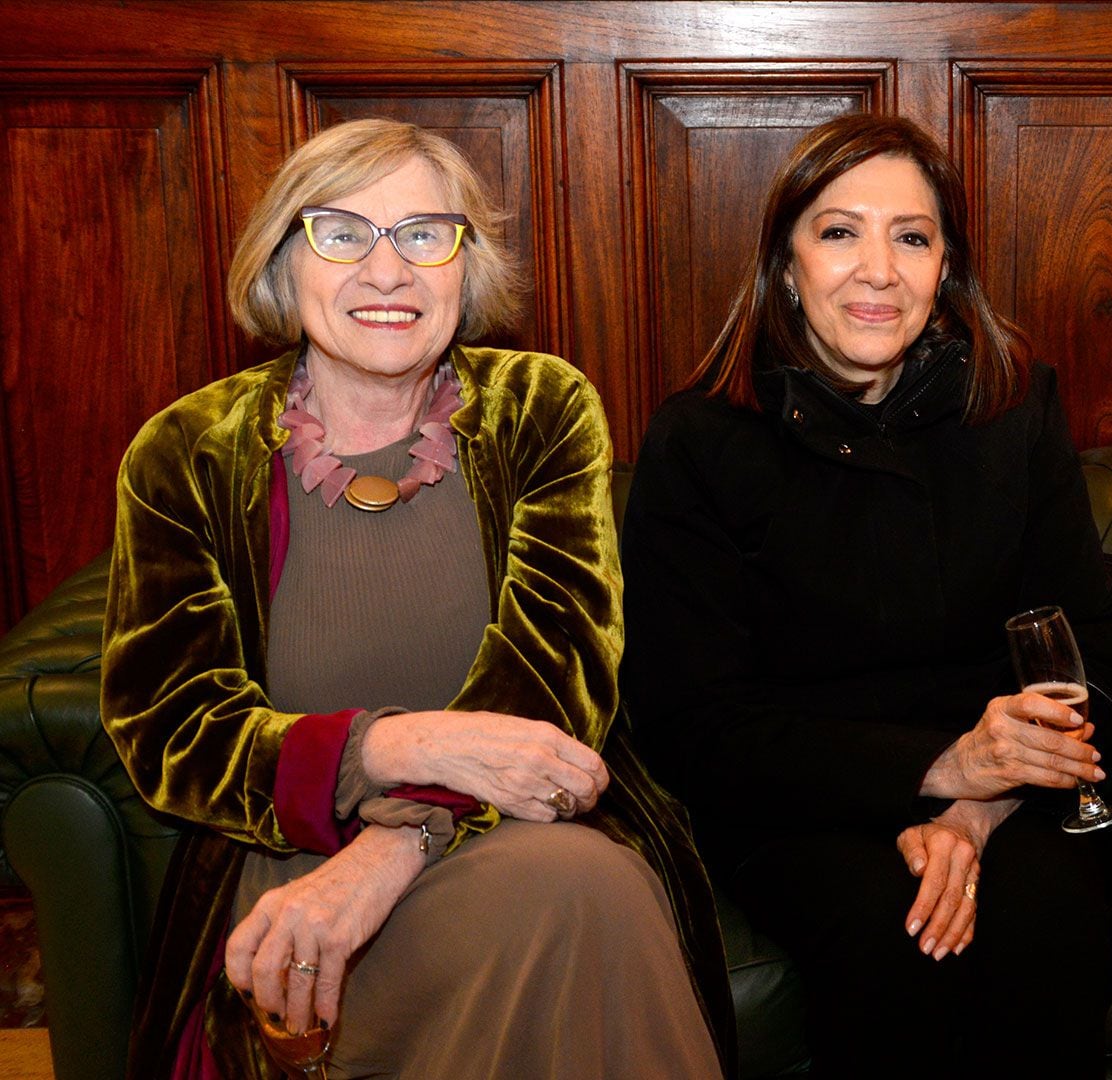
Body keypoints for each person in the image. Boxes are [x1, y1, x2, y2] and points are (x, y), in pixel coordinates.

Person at [101, 118, 730, 1079]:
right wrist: (397, 745)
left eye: (424, 235)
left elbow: (559, 680)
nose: (386, 271)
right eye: (342, 233)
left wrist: (398, 846)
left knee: (579, 889)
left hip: (515, 833)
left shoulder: (542, 407)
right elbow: (169, 726)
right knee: (572, 896)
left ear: (464, 266)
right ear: (284, 262)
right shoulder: (187, 450)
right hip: (291, 856)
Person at [622, 113, 1112, 1077]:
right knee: (894, 946)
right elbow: (695, 726)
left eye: (912, 236)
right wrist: (943, 765)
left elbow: (1093, 654)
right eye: (839, 230)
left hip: (1004, 795)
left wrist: (979, 805)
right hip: (801, 796)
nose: (878, 270)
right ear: (785, 264)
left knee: (1049, 933)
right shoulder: (701, 442)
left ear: (948, 269)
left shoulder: (1014, 406)